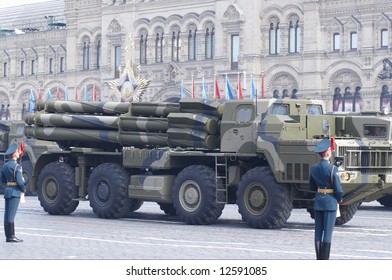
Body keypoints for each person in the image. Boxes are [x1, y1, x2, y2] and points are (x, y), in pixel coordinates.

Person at [309, 138, 343, 260]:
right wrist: (339, 199)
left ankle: (319, 258)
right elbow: (338, 189)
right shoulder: (333, 169)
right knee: (327, 234)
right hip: (330, 203)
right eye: (330, 150)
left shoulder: (313, 168)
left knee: (318, 232)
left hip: (318, 201)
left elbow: (312, 186)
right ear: (328, 153)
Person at [1, 142, 26, 242]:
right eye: (17, 151)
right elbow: (20, 182)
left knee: (7, 214)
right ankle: (11, 236)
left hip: (8, 191)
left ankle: (8, 236)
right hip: (15, 191)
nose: (19, 153)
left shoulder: (5, 165)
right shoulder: (17, 167)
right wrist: (23, 189)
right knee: (11, 215)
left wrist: (9, 183)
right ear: (14, 154)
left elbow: (2, 180)